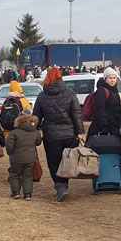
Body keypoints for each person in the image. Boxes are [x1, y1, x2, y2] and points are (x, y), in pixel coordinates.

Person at [32, 67, 85, 202]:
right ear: (60, 77)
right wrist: (80, 132)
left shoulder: (42, 96)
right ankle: (64, 185)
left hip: (51, 135)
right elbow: (76, 114)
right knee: (67, 161)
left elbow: (36, 116)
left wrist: (33, 130)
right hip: (69, 135)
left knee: (53, 163)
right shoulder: (70, 93)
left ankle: (60, 186)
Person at [5, 115, 42, 201]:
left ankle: (16, 192)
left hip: (16, 158)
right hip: (30, 158)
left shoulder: (14, 133)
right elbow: (38, 142)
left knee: (14, 174)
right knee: (28, 176)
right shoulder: (35, 132)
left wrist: (10, 153)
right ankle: (27, 194)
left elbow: (9, 145)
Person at [86, 67, 121, 138]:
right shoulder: (102, 91)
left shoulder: (115, 91)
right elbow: (99, 109)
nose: (112, 80)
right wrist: (104, 126)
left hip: (114, 127)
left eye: (114, 78)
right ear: (105, 79)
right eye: (110, 78)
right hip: (103, 128)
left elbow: (116, 110)